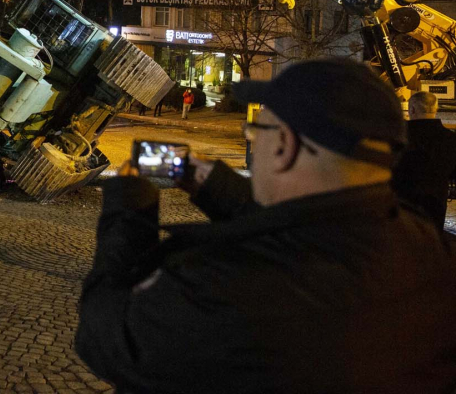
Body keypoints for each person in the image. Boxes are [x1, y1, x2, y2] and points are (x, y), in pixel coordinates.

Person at [75, 58, 456, 393]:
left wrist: (129, 207)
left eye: (257, 133)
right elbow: (309, 230)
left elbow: (108, 336)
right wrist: (213, 185)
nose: (254, 142)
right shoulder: (432, 249)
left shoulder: (224, 290)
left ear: (285, 146)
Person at [392, 90, 456, 230]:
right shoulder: (451, 139)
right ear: (435, 109)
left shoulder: (398, 137)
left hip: (402, 206)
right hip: (436, 206)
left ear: (412, 109)